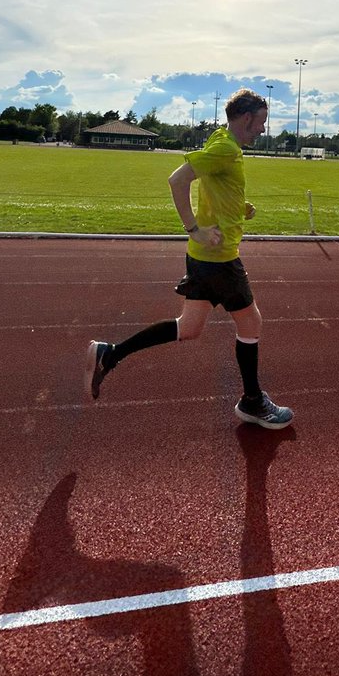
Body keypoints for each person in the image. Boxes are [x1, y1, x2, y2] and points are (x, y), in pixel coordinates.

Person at [85, 88, 293, 429]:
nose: (263, 130)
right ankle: (253, 402)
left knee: (189, 328)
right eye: (261, 123)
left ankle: (111, 353)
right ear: (246, 118)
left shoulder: (222, 141)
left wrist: (239, 209)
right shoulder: (226, 148)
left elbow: (214, 185)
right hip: (218, 258)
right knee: (251, 324)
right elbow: (178, 179)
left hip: (203, 258)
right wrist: (193, 228)